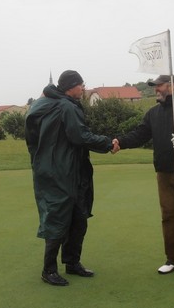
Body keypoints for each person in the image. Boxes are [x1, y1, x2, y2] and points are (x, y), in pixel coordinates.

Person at [25, 70, 117, 286]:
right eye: (81, 84)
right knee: (58, 219)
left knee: (78, 218)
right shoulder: (66, 106)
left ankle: (72, 262)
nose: (83, 88)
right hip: (61, 171)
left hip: (63, 169)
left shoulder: (51, 103)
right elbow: (80, 135)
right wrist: (107, 143)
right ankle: (49, 270)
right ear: (71, 86)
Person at [114, 74, 174, 279]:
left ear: (172, 86)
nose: (156, 89)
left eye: (159, 86)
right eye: (155, 86)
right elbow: (139, 135)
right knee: (168, 216)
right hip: (163, 172)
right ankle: (173, 260)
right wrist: (119, 142)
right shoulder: (153, 113)